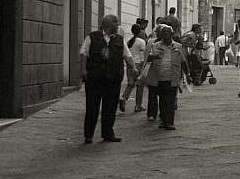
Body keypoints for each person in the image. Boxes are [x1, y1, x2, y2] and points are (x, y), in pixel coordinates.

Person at [80, 14, 135, 143]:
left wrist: (133, 67)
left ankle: (108, 133)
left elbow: (127, 55)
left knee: (110, 107)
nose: (118, 24)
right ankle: (88, 135)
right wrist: (83, 70)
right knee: (92, 106)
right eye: (116, 22)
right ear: (108, 24)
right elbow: (83, 53)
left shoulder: (119, 40)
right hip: (95, 78)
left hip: (113, 79)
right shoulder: (92, 37)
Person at [143, 24, 189, 129]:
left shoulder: (178, 46)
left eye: (168, 33)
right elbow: (147, 58)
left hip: (173, 76)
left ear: (172, 34)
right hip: (159, 77)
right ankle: (164, 121)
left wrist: (187, 74)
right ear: (161, 35)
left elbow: (183, 61)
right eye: (164, 33)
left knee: (171, 101)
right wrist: (153, 56)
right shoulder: (155, 45)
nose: (166, 35)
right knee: (163, 101)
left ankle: (169, 122)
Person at [119, 24, 146, 113]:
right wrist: (143, 67)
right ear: (140, 31)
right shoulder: (141, 42)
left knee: (130, 84)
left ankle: (123, 97)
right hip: (138, 64)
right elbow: (142, 55)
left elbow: (126, 54)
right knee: (139, 85)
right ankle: (138, 105)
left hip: (130, 65)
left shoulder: (128, 41)